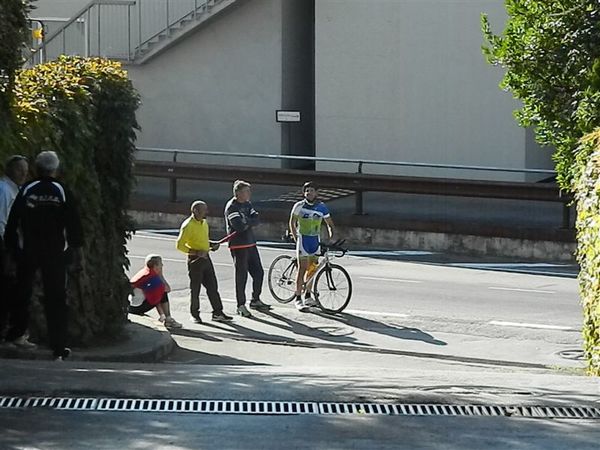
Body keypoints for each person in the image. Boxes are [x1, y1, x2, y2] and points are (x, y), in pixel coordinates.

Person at [4, 151, 82, 360]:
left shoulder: (27, 190)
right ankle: (58, 345)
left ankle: (17, 332)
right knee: (56, 297)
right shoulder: (61, 190)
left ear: (36, 169)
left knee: (23, 291)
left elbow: (13, 220)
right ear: (55, 169)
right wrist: (75, 248)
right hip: (55, 252)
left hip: (28, 249)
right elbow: (73, 221)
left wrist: (12, 247)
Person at [176, 200, 233, 323]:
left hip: (206, 258)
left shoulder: (204, 223)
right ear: (195, 211)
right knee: (195, 289)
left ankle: (217, 313)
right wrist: (196, 252)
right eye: (204, 210)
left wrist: (211, 244)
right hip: (195, 260)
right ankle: (194, 314)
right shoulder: (188, 225)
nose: (207, 212)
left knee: (213, 286)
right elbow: (179, 245)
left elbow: (203, 239)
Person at [224, 180, 271, 317]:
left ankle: (255, 299)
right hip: (239, 245)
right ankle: (241, 304)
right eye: (246, 191)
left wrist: (248, 222)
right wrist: (248, 222)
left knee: (259, 273)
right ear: (238, 193)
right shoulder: (232, 207)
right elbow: (238, 226)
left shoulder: (247, 204)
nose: (249, 194)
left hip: (250, 243)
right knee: (242, 276)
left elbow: (256, 218)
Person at [289, 181, 335, 311]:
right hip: (303, 239)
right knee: (302, 269)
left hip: (315, 240)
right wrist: (295, 236)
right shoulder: (299, 206)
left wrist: (331, 238)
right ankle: (298, 297)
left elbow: (330, 224)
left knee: (312, 269)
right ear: (304, 193)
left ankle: (308, 296)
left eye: (311, 190)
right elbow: (292, 222)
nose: (309, 193)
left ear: (316, 192)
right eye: (307, 190)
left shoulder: (322, 207)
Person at [0, 155, 29, 341]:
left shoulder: (14, 190)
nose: (23, 174)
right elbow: (1, 221)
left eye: (25, 171)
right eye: (20, 170)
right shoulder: (4, 190)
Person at [128, 254, 182, 329]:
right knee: (162, 292)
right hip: (136, 308)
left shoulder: (145, 271)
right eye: (160, 264)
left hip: (131, 305)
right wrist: (161, 275)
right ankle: (168, 319)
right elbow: (167, 289)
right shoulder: (152, 277)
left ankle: (164, 317)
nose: (162, 265)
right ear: (155, 266)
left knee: (157, 292)